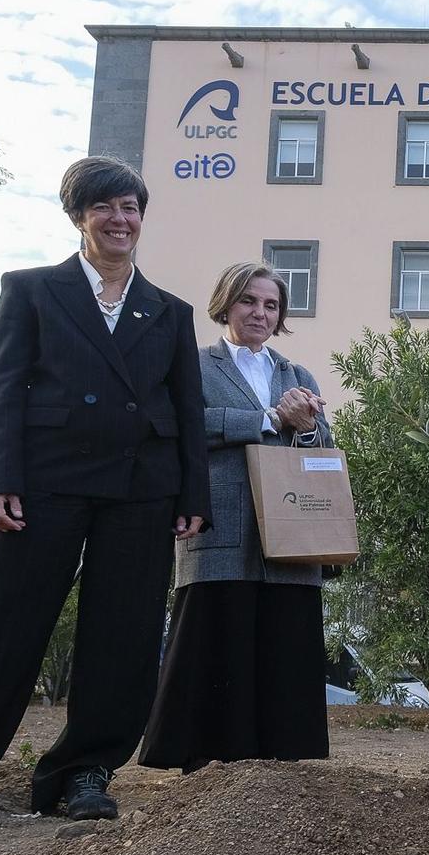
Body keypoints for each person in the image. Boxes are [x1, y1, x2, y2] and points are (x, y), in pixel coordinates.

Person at [0, 156, 209, 821]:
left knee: (124, 636)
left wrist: (192, 494)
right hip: (46, 481)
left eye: (131, 208)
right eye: (105, 207)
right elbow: (0, 388)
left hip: (142, 486)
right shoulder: (30, 290)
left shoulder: (169, 312)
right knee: (4, 628)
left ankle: (83, 773)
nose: (120, 220)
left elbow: (188, 408)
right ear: (78, 216)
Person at [139, 261, 331, 773]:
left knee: (282, 639)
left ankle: (282, 760)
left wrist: (308, 427)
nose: (260, 313)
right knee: (216, 633)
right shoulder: (195, 366)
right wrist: (268, 419)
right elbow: (181, 426)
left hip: (291, 536)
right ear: (226, 303)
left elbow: (323, 451)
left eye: (271, 305)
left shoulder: (298, 375)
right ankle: (203, 757)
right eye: (249, 301)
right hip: (219, 523)